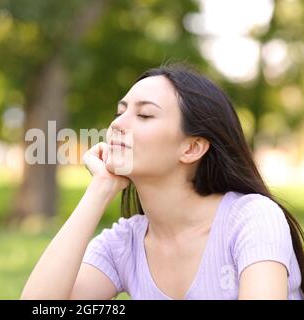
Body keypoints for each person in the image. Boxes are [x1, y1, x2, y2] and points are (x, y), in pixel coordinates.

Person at [20, 64, 304, 300]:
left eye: (144, 115)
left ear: (191, 148)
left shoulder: (251, 218)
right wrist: (100, 188)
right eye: (121, 112)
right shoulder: (126, 243)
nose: (118, 124)